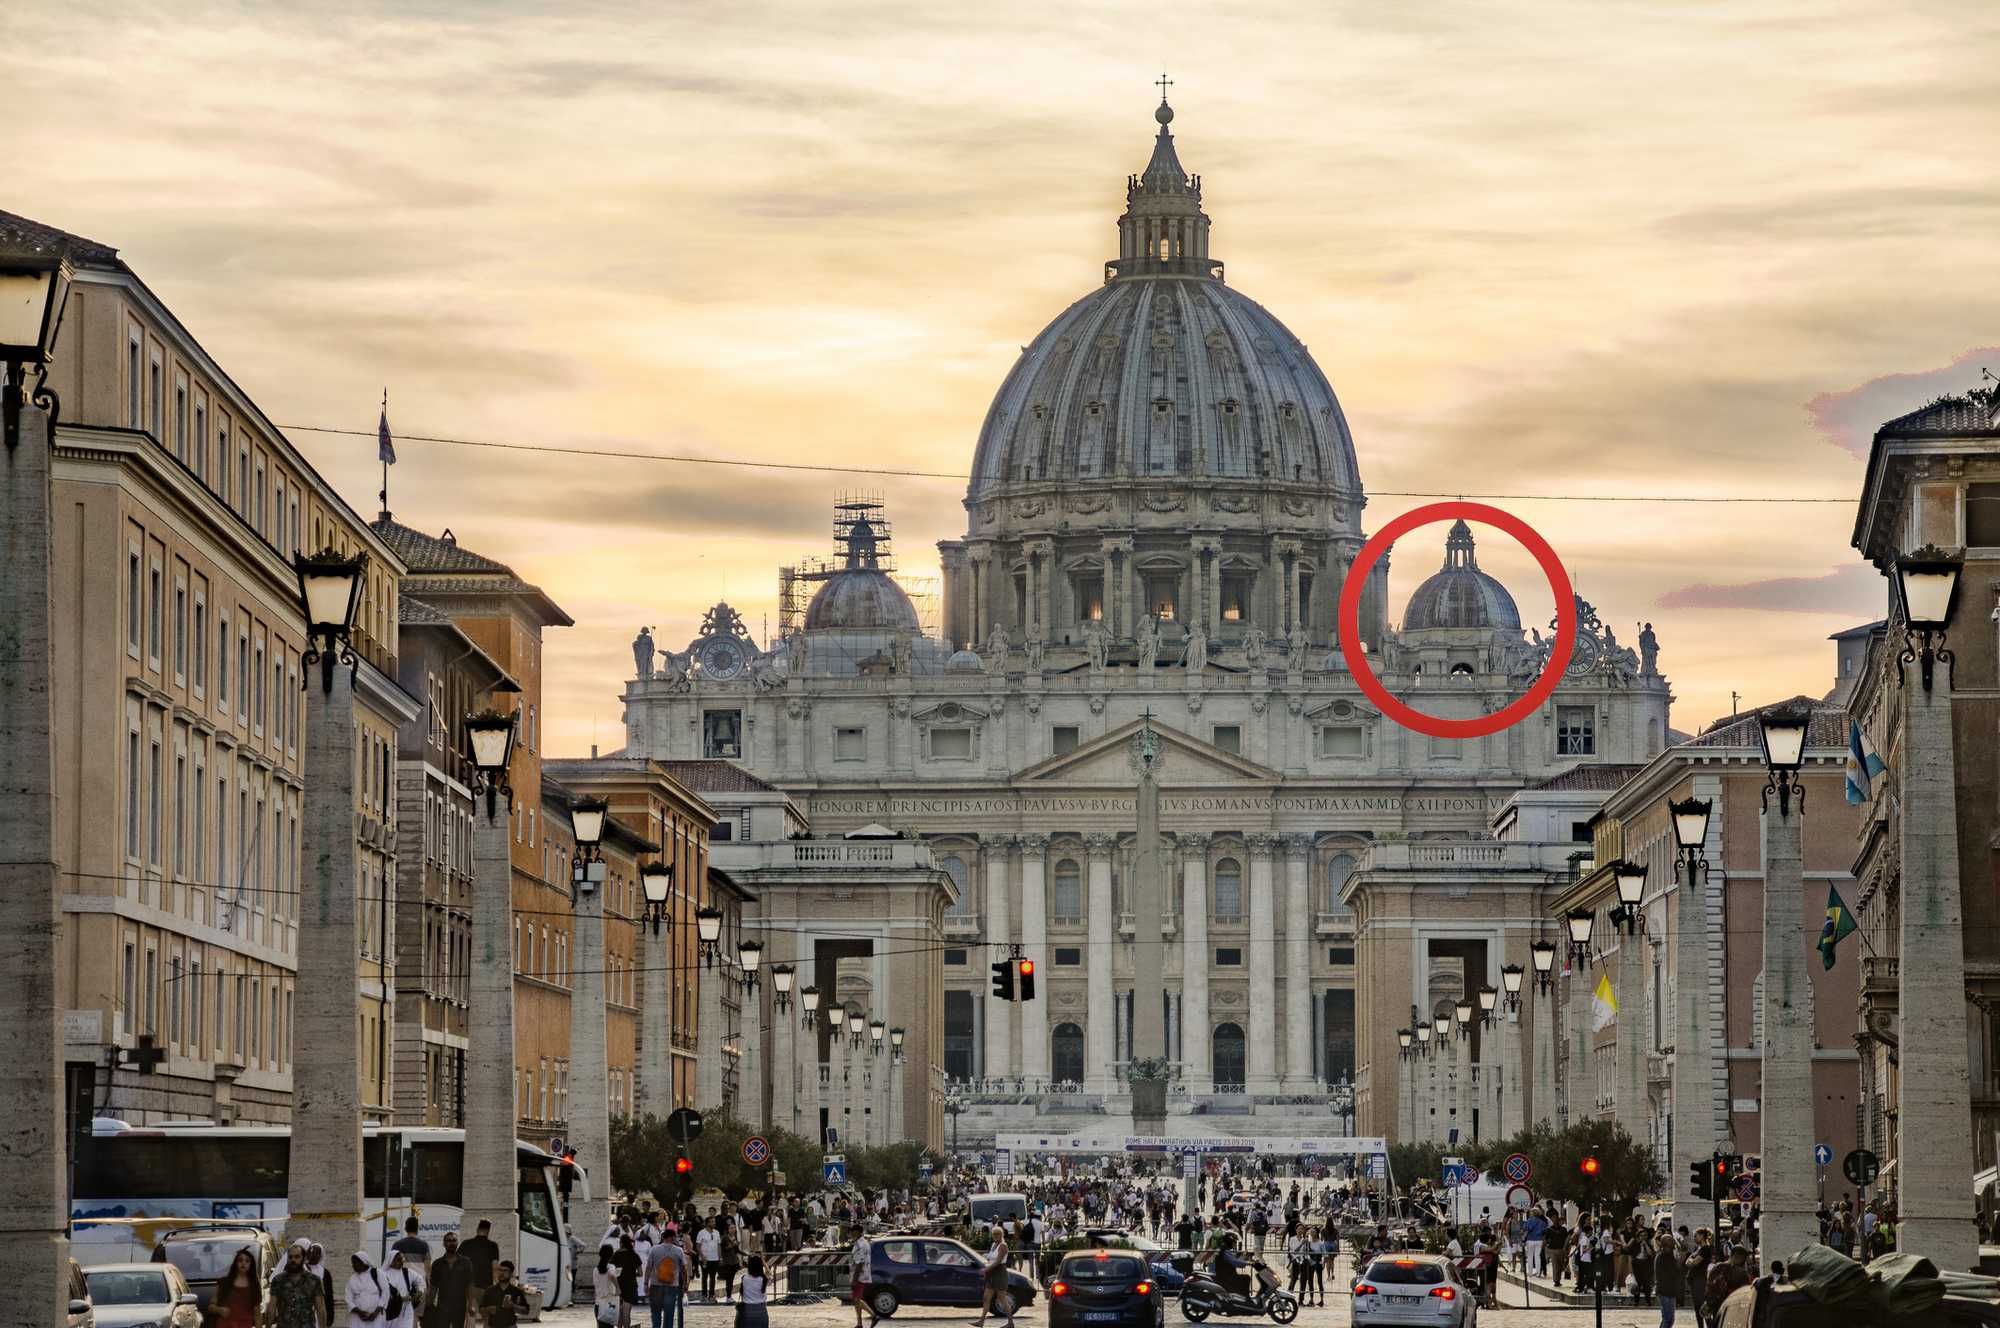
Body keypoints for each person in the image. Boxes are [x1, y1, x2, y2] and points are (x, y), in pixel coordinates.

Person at [270, 1243, 328, 1328]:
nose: (293, 1260)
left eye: (297, 1257)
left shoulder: (314, 1281)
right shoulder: (278, 1280)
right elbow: (271, 1307)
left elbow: (320, 1308)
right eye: (290, 1257)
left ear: (304, 1259)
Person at [646, 1228, 692, 1328]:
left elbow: (649, 1267)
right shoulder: (678, 1250)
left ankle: (656, 1326)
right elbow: (684, 1269)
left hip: (656, 1285)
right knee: (669, 1312)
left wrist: (646, 1283)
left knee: (656, 1311)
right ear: (673, 1238)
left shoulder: (654, 1249)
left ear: (663, 1237)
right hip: (672, 1285)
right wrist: (685, 1284)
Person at [424, 1232, 472, 1328]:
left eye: (454, 1240)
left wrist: (471, 1304)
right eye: (448, 1241)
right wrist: (428, 1305)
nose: (451, 1243)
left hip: (460, 1306)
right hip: (442, 1307)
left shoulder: (466, 1262)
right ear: (444, 1244)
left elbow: (469, 1285)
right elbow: (433, 1287)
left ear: (457, 1242)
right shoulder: (437, 1264)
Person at [208, 1247, 262, 1328]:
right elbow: (211, 1307)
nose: (243, 1263)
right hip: (224, 1325)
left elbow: (257, 1313)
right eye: (240, 1260)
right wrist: (219, 1310)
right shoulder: (224, 1283)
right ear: (235, 1263)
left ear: (251, 1265)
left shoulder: (254, 1286)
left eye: (247, 1261)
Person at [971, 1227, 1013, 1328]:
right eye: (994, 1234)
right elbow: (990, 1258)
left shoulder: (1003, 1246)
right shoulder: (994, 1245)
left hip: (999, 1273)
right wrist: (987, 1269)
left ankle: (1010, 1322)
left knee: (1001, 1298)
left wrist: (986, 1270)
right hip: (992, 1273)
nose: (995, 1236)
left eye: (998, 1234)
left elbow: (998, 1261)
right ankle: (981, 1321)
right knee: (986, 1298)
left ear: (1001, 1235)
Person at [479, 1262, 532, 1328]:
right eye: (500, 1270)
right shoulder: (489, 1290)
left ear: (511, 1274)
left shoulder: (516, 1291)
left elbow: (526, 1311)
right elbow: (481, 1309)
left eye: (505, 1270)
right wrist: (488, 1309)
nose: (501, 1273)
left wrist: (513, 1306)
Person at [346, 1254, 389, 1328]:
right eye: (352, 1263)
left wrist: (375, 1313)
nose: (353, 1265)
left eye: (355, 1263)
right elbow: (348, 1298)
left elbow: (385, 1293)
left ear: (363, 1262)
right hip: (357, 1317)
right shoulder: (352, 1278)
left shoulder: (378, 1273)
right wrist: (359, 1312)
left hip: (377, 1315)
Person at [459, 1220, 500, 1299]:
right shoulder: (493, 1246)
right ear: (488, 1231)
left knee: (469, 1310)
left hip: (468, 1287)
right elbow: (494, 1268)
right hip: (486, 1286)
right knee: (483, 1310)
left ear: (477, 1229)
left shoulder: (465, 1243)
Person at [383, 1251, 424, 1328]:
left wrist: (419, 1292)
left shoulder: (407, 1272)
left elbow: (420, 1281)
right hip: (391, 1310)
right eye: (399, 1259)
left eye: (402, 1259)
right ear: (391, 1261)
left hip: (406, 1310)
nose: (402, 1261)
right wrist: (401, 1299)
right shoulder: (384, 1275)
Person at [1653, 1231, 1683, 1328]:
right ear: (1665, 1244)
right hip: (1664, 1291)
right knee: (1667, 1318)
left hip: (1670, 1291)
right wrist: (1680, 1260)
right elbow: (1674, 1271)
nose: (1673, 1243)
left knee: (1670, 1319)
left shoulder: (1669, 1255)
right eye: (1671, 1241)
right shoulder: (1661, 1256)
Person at [613, 1234, 643, 1328]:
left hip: (618, 1285)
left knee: (619, 1312)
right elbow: (641, 1272)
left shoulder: (616, 1254)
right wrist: (632, 1274)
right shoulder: (634, 1255)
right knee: (627, 1312)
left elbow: (611, 1270)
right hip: (631, 1285)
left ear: (621, 1243)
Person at [391, 1217, 432, 1281]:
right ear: (417, 1229)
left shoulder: (397, 1245)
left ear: (405, 1229)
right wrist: (428, 1285)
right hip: (419, 1282)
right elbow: (428, 1268)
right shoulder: (424, 1245)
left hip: (403, 1282)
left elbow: (393, 1266)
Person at [305, 1245, 337, 1327]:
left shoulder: (325, 1273)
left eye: (317, 1253)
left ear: (321, 1255)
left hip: (321, 1311)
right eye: (312, 1252)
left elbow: (329, 1296)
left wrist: (330, 1318)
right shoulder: (304, 1269)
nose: (314, 1255)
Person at [849, 1228, 874, 1328]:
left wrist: (855, 1279)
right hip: (861, 1274)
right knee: (857, 1299)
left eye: (852, 1231)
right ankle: (860, 1322)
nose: (851, 1234)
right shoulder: (863, 1243)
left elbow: (859, 1263)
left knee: (856, 1299)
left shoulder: (860, 1245)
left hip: (860, 1275)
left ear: (858, 1232)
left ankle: (872, 1315)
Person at [594, 1243, 624, 1328]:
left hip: (598, 1304)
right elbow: (611, 1275)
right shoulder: (611, 1267)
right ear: (611, 1254)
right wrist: (618, 1288)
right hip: (609, 1304)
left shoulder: (595, 1270)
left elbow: (596, 1287)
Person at [737, 1254, 770, 1328]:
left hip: (746, 1310)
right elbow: (769, 1273)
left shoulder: (744, 1278)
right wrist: (763, 1262)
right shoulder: (763, 1279)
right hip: (761, 1310)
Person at [696, 1219, 722, 1304]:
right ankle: (704, 1295)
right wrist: (702, 1256)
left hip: (714, 1258)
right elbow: (698, 1246)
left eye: (714, 1222)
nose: (713, 1223)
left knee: (713, 1277)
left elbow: (718, 1245)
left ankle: (711, 1295)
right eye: (711, 1222)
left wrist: (720, 1257)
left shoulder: (717, 1232)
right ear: (707, 1223)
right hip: (705, 1258)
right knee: (704, 1277)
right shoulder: (701, 1233)